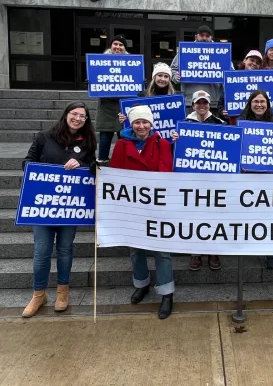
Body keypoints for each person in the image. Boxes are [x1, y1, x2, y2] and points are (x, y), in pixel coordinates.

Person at [21, 102, 97, 318]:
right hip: (44, 206)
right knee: (42, 251)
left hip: (69, 207)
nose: (78, 119)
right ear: (66, 115)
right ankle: (38, 294)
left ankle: (63, 291)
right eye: (74, 114)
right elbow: (27, 163)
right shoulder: (45, 137)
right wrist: (48, 171)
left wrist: (82, 165)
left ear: (86, 120)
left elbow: (93, 167)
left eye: (82, 116)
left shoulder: (88, 142)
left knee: (65, 250)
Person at [109, 105, 175, 319]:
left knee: (162, 250)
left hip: (156, 204)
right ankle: (142, 284)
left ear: (151, 123)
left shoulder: (161, 143)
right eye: (137, 122)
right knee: (135, 249)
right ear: (131, 123)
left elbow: (165, 172)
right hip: (132, 206)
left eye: (145, 122)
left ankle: (167, 293)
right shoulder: (121, 144)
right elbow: (116, 174)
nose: (141, 126)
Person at [172, 90, 225, 271]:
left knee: (214, 215)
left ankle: (213, 251)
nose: (201, 106)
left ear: (209, 104)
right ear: (193, 105)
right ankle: (195, 252)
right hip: (191, 179)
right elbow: (176, 152)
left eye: (205, 103)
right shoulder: (183, 124)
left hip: (214, 179)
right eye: (198, 103)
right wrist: (175, 141)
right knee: (193, 215)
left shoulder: (220, 123)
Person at [237, 89, 273, 269]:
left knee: (268, 214)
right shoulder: (240, 123)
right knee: (248, 212)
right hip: (247, 176)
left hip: (268, 178)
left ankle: (270, 251)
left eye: (262, 102)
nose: (259, 105)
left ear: (267, 104)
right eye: (256, 101)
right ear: (250, 103)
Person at [171, 25, 229, 115]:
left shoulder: (221, 52)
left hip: (213, 103)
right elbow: (172, 69)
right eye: (202, 35)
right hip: (190, 102)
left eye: (207, 36)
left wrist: (225, 79)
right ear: (196, 36)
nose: (204, 38)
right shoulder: (186, 51)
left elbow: (230, 74)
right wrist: (176, 77)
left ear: (211, 37)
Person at [96, 34, 128, 163]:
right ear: (111, 46)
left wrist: (139, 83)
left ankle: (124, 164)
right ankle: (102, 163)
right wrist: (91, 83)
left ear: (124, 48)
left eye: (121, 45)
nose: (118, 47)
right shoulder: (100, 63)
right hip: (106, 107)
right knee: (104, 138)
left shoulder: (131, 64)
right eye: (115, 44)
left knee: (124, 138)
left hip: (123, 106)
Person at [217, 50, 263, 122]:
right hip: (234, 123)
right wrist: (223, 112)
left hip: (255, 124)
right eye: (252, 60)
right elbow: (220, 104)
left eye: (257, 63)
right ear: (244, 60)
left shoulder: (263, 83)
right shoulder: (232, 79)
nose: (254, 63)